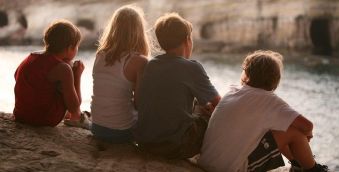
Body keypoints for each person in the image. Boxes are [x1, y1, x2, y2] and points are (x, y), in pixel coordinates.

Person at [199, 50, 329, 172]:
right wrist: (307, 136)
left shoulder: (232, 91)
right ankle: (312, 170)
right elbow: (307, 126)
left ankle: (297, 165)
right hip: (231, 169)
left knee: (277, 127)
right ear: (275, 79)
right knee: (295, 133)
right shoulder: (269, 101)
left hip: (207, 161)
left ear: (247, 73)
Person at [133, 13, 221, 159]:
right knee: (211, 116)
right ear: (187, 40)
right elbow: (220, 104)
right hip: (173, 147)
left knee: (199, 106)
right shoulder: (192, 68)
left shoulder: (151, 65)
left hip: (145, 142)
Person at [13, 19, 89, 128]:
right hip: (43, 119)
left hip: (21, 114)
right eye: (77, 46)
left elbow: (17, 76)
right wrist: (77, 76)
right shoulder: (63, 69)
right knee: (71, 103)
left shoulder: (30, 57)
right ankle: (78, 119)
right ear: (70, 48)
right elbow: (74, 107)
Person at [90, 5, 150, 143]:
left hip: (97, 127)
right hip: (122, 131)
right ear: (139, 31)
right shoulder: (139, 61)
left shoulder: (100, 54)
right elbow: (140, 104)